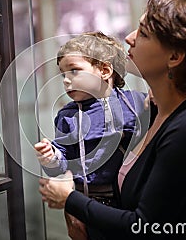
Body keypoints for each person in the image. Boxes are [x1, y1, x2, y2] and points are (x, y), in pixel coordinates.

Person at [39, 0, 186, 240]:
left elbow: (144, 225)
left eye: (144, 33)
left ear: (174, 56)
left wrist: (70, 201)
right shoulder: (158, 112)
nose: (129, 37)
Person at [34, 31, 147, 239]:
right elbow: (62, 161)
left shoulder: (136, 104)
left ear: (104, 70)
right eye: (63, 74)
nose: (66, 81)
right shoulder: (67, 116)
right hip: (85, 205)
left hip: (127, 206)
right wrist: (50, 156)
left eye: (75, 71)